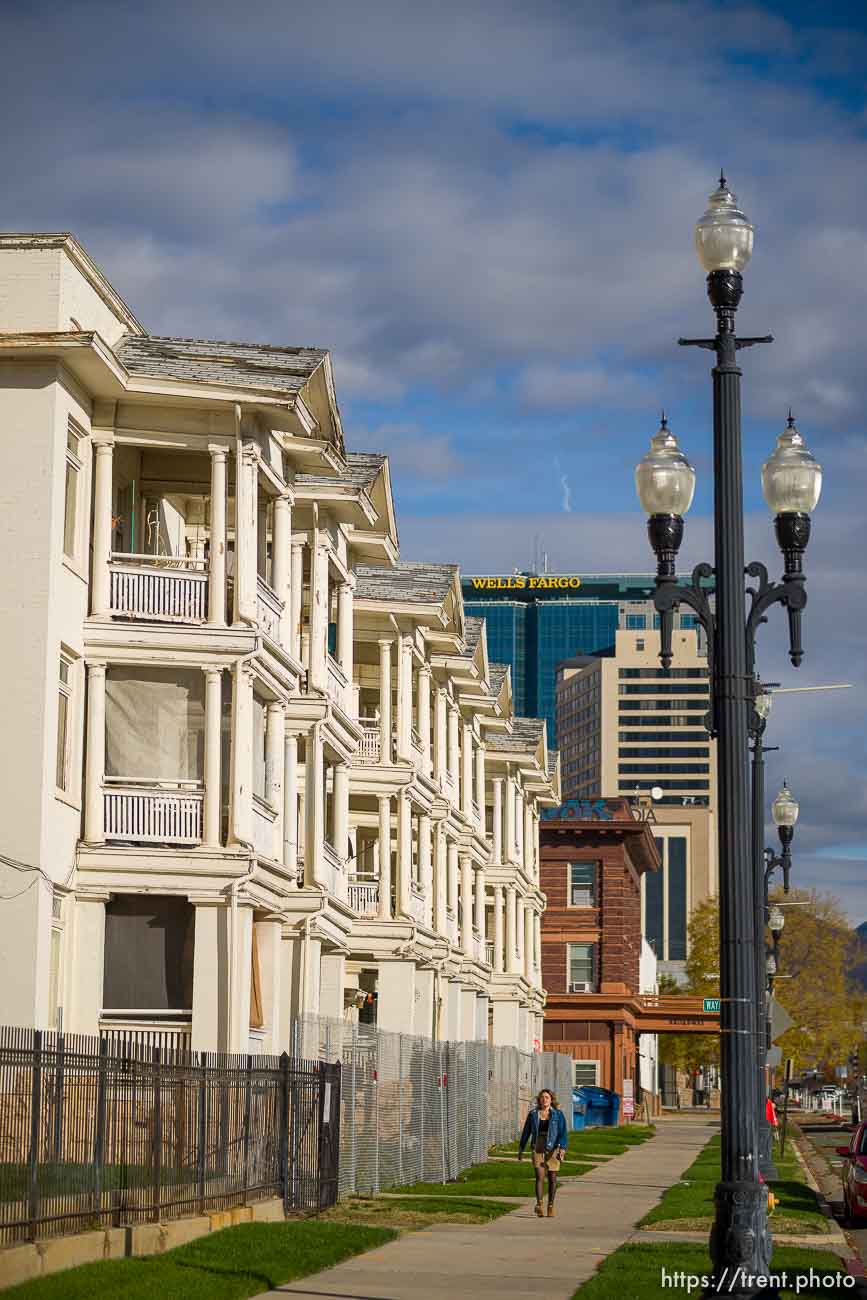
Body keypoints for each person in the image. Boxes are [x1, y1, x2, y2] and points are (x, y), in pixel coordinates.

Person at [518, 1088, 568, 1218]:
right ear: (539, 1100)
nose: (544, 1099)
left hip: (553, 1147)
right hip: (537, 1145)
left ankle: (550, 1206)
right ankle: (539, 1205)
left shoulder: (558, 1114)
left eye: (546, 1097)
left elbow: (563, 1133)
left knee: (552, 1178)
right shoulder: (533, 1114)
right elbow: (526, 1132)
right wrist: (521, 1148)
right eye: (542, 1097)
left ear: (551, 1099)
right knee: (539, 1176)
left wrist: (562, 1148)